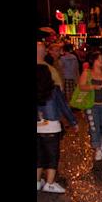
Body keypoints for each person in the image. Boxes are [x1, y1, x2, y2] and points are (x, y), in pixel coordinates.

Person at [37, 64, 78, 193]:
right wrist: (73, 122)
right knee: (52, 156)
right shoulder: (54, 90)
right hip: (51, 128)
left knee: (39, 156)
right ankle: (50, 183)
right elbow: (64, 107)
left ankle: (37, 182)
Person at [78, 51, 102, 162]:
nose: (101, 61)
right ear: (94, 61)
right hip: (91, 105)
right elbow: (81, 86)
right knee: (94, 127)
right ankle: (97, 148)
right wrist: (93, 87)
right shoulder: (87, 73)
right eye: (99, 59)